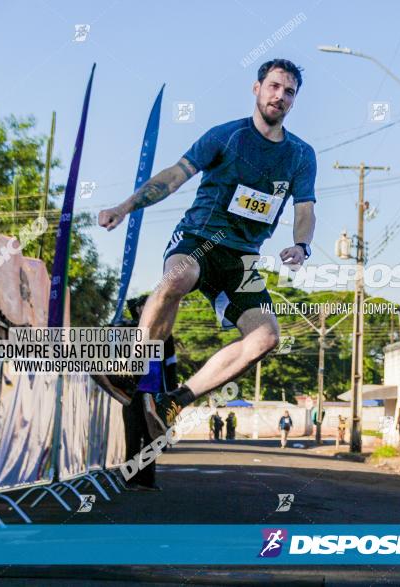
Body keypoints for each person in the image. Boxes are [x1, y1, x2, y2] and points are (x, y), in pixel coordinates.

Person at [97, 59, 317, 440]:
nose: (279, 96)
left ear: (294, 102)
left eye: (289, 92)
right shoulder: (226, 136)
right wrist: (125, 206)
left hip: (241, 259)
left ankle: (175, 400)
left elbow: (306, 209)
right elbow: (174, 176)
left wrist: (302, 245)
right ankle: (128, 366)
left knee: (266, 337)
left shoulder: (300, 154)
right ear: (257, 88)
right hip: (199, 238)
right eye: (274, 87)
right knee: (179, 276)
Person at [119, 294, 178, 491]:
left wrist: (172, 393)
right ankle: (131, 480)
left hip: (155, 392)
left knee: (153, 437)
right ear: (138, 309)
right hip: (133, 392)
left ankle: (148, 480)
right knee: (133, 436)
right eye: (146, 306)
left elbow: (171, 365)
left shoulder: (164, 332)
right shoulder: (127, 329)